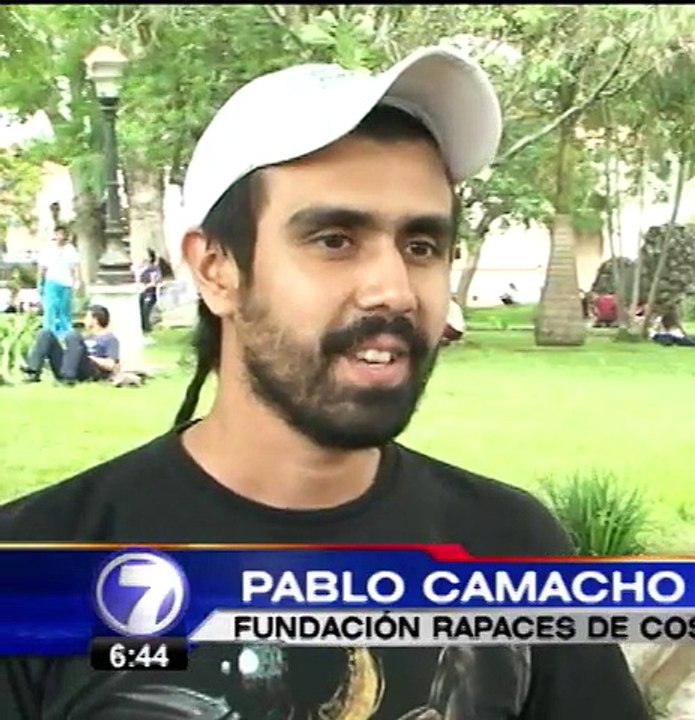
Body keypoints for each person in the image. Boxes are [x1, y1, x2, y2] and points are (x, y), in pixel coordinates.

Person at [0, 47, 650, 719]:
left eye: (422, 246)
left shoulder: (511, 547)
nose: (394, 290)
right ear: (217, 268)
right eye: (335, 239)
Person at [20, 304, 120, 385]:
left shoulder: (110, 339)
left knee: (73, 335)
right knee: (45, 333)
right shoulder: (85, 337)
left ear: (95, 320)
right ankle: (33, 372)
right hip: (71, 366)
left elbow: (110, 365)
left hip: (89, 371)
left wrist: (91, 358)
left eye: (87, 317)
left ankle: (68, 377)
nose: (84, 320)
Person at [37, 225, 80, 339]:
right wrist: (40, 282)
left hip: (66, 283)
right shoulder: (47, 249)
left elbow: (75, 266)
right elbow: (42, 267)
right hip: (52, 281)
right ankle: (48, 331)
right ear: (55, 235)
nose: (60, 237)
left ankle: (65, 333)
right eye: (58, 234)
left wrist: (77, 280)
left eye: (63, 234)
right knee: (51, 306)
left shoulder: (70, 249)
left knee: (64, 308)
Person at [137, 248, 163, 334]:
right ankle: (144, 328)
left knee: (146, 311)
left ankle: (147, 329)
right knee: (142, 311)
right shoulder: (144, 268)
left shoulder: (153, 269)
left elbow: (154, 282)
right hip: (143, 292)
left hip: (149, 293)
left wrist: (145, 287)